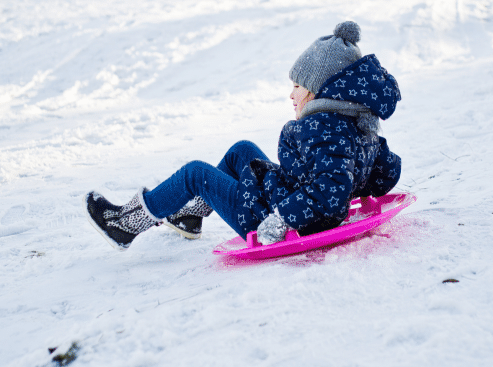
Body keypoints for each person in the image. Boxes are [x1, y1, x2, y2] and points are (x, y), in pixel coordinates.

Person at [85, 21, 402, 251]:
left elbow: (330, 192)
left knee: (196, 173)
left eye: (297, 86)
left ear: (319, 91)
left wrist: (282, 219)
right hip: (288, 199)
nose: (291, 95)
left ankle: (124, 224)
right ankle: (189, 216)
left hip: (271, 219)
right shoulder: (356, 125)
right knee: (242, 150)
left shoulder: (324, 130)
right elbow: (383, 173)